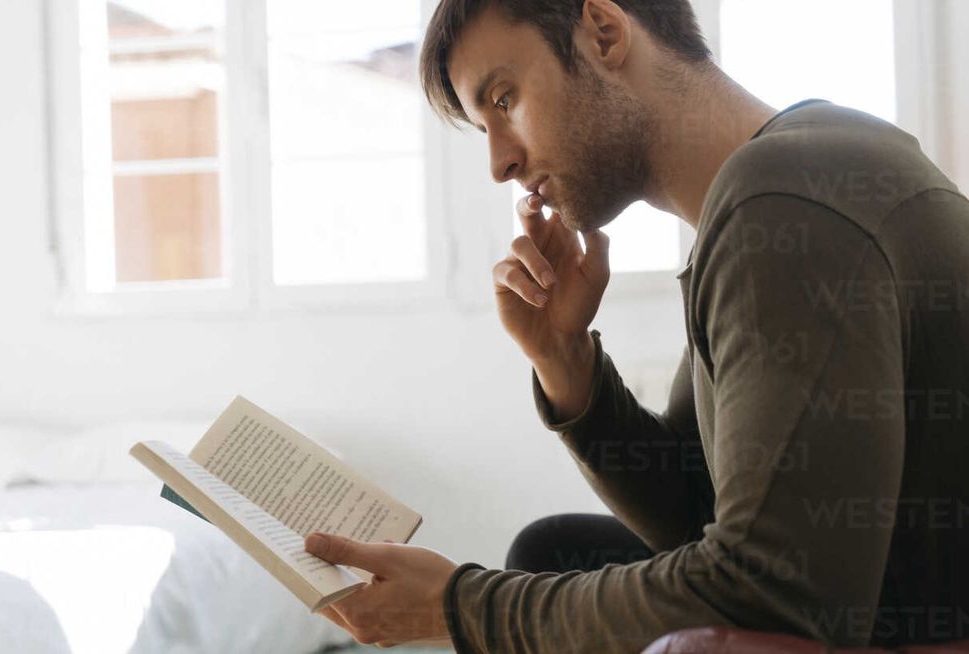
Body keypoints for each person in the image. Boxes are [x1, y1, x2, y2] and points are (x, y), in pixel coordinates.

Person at [302, 0, 969, 651]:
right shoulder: (796, 173)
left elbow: (770, 590)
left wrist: (462, 607)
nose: (500, 163)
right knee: (553, 551)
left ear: (604, 31)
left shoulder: (785, 201)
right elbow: (699, 514)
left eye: (504, 100)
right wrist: (567, 363)